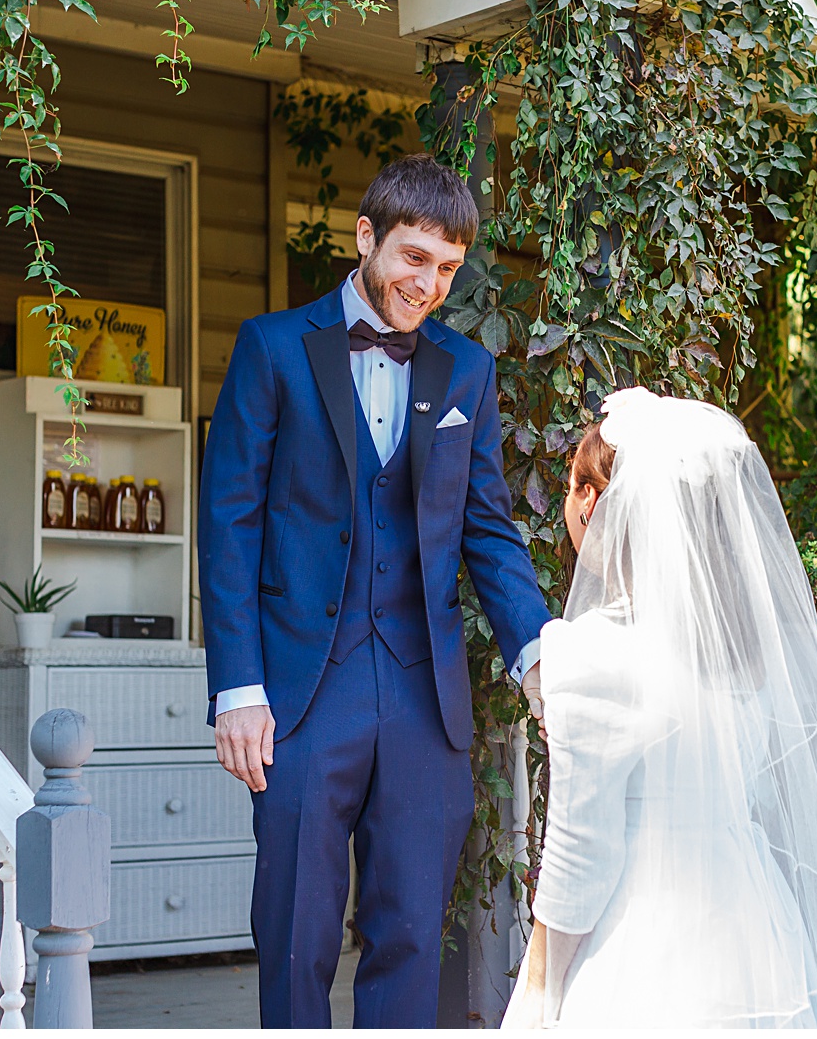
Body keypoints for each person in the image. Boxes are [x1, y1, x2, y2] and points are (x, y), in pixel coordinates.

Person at [199, 154, 552, 1028]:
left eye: (446, 269)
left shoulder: (465, 371)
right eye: (412, 258)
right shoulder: (275, 348)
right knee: (296, 933)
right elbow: (230, 523)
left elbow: (488, 527)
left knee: (408, 938)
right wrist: (237, 688)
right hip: (300, 694)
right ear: (366, 238)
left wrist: (539, 649)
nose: (426, 285)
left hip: (423, 696)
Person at [503, 388, 817, 1029]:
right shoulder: (744, 656)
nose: (571, 503)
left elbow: (583, 850)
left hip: (641, 945)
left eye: (578, 485)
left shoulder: (595, 656)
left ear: (595, 502)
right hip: (754, 933)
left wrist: (540, 987)